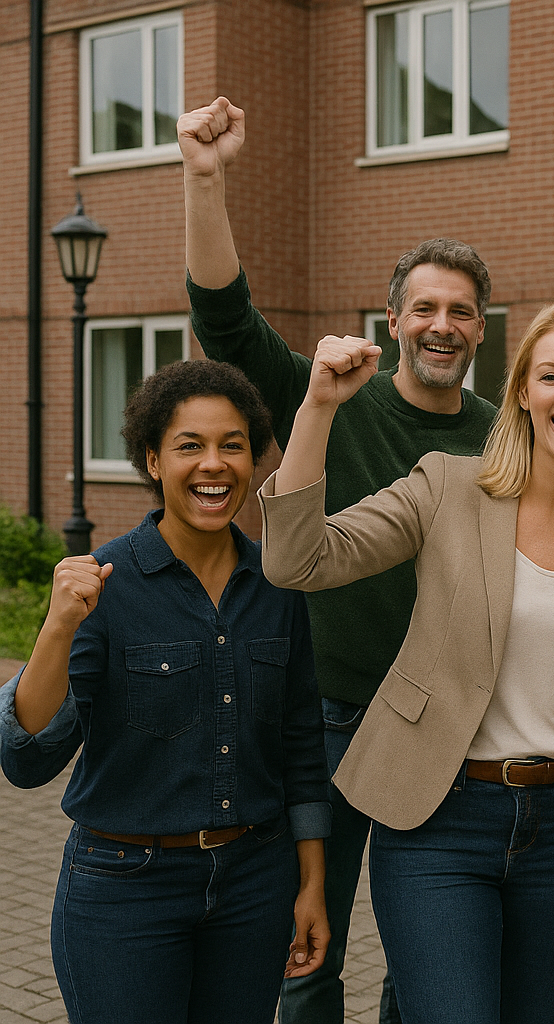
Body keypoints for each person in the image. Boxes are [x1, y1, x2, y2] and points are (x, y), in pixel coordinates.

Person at [179, 95, 498, 1024]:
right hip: (320, 720)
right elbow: (225, 320)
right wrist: (206, 177)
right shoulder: (332, 395)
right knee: (305, 950)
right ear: (392, 319)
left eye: (463, 313)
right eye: (425, 308)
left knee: (427, 950)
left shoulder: (505, 439)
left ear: (481, 330)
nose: (443, 325)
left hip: (442, 731)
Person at [258, 302, 554, 1024]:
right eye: (551, 376)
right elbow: (297, 559)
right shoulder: (447, 486)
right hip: (439, 816)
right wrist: (317, 408)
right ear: (521, 395)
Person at [0, 360, 329, 1024]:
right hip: (125, 889)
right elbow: (26, 757)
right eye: (190, 446)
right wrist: (59, 626)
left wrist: (313, 884)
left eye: (231, 445)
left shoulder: (278, 586)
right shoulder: (106, 587)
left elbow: (301, 747)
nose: (215, 464)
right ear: (153, 460)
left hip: (254, 886)